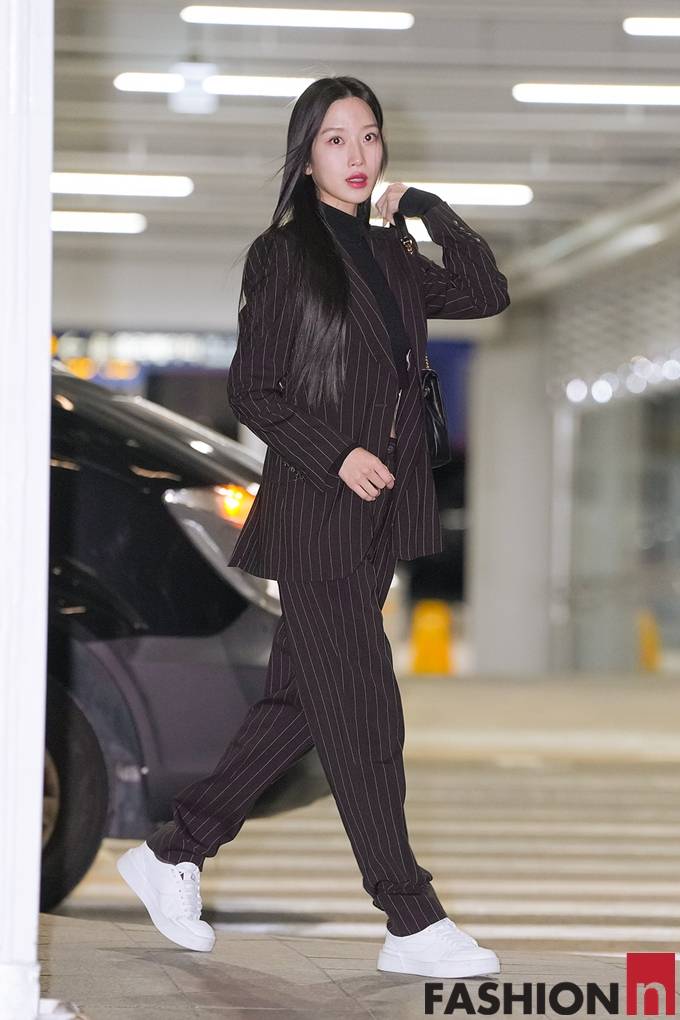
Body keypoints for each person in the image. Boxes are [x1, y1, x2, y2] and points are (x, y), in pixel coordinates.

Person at [117, 75, 510, 979]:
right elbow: (253, 388)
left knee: (300, 705)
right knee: (366, 710)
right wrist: (336, 454)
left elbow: (485, 292)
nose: (358, 154)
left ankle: (176, 851)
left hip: (379, 520)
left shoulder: (393, 253)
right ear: (305, 157)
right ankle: (410, 916)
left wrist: (430, 211)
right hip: (317, 515)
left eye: (369, 136)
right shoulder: (284, 254)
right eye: (336, 139)